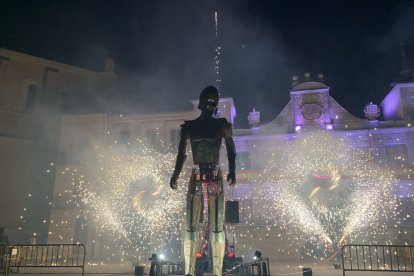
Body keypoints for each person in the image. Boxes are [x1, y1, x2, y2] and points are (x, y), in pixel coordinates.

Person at [170, 85, 236, 276]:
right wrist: (175, 175)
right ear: (200, 102)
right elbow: (181, 155)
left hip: (215, 174)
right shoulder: (189, 127)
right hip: (197, 174)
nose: (210, 103)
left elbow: (231, 150)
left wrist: (232, 171)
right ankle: (189, 272)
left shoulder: (222, 125)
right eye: (207, 99)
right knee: (190, 225)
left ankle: (217, 272)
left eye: (213, 100)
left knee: (217, 226)